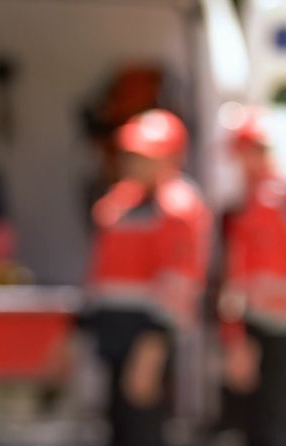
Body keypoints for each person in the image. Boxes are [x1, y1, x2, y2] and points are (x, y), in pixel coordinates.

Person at [87, 109, 210, 446]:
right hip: (113, 335)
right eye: (131, 155)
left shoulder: (178, 206)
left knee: (144, 428)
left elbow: (181, 285)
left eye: (145, 157)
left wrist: (154, 345)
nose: (134, 164)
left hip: (146, 338)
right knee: (119, 428)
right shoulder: (119, 202)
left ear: (173, 157)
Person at [219, 109, 286, 446]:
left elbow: (239, 277)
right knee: (283, 416)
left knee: (262, 422)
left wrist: (234, 336)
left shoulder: (255, 206)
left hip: (262, 324)